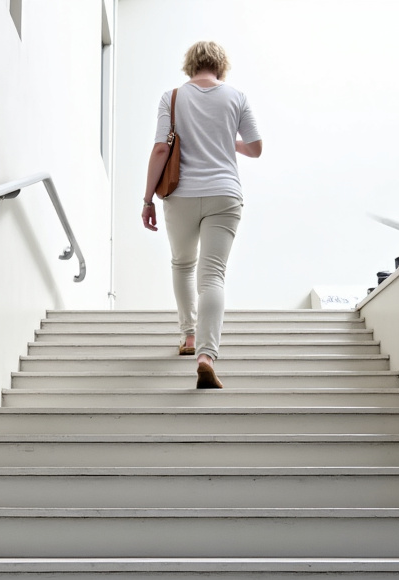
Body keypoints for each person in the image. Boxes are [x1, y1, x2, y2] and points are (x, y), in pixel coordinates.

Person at [141, 41, 263, 389]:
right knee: (213, 276)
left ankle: (189, 336)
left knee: (183, 263)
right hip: (224, 194)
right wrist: (226, 140)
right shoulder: (236, 96)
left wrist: (147, 199)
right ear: (221, 65)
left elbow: (162, 148)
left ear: (190, 64)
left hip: (180, 194)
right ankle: (207, 356)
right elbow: (255, 147)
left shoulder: (173, 97)